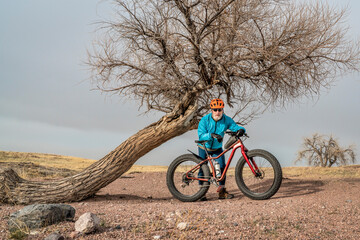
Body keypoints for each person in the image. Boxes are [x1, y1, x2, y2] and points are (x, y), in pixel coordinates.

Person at [197, 98, 246, 200]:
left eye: (220, 109)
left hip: (217, 148)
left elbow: (235, 127)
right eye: (215, 110)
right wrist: (212, 135)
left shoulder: (226, 119)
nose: (217, 112)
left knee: (222, 168)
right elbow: (201, 135)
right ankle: (201, 194)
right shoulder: (204, 120)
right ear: (211, 110)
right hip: (204, 147)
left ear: (222, 110)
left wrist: (241, 130)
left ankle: (222, 192)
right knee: (203, 168)